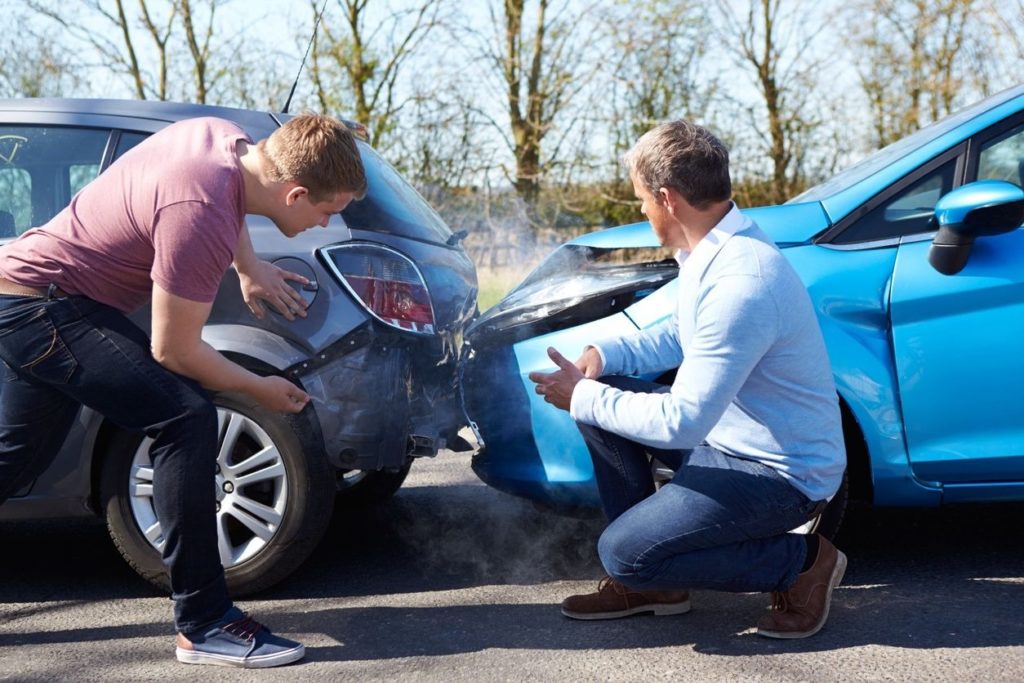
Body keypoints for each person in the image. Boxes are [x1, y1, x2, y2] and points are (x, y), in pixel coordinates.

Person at [0, 112, 366, 667]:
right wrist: (257, 389)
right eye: (326, 211)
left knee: (15, 460)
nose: (323, 223)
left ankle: (205, 619)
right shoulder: (200, 211)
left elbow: (230, 196)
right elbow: (174, 351)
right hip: (44, 308)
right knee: (185, 417)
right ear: (294, 193)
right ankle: (205, 621)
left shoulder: (223, 140)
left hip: (27, 293)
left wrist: (247, 265)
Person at [529, 120, 847, 639]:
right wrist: (601, 356)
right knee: (606, 407)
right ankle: (657, 583)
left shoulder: (743, 280)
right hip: (728, 443)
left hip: (780, 474)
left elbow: (682, 422)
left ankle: (803, 562)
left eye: (641, 200)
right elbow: (680, 334)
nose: (641, 211)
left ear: (667, 198)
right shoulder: (715, 249)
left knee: (623, 553)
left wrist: (584, 396)